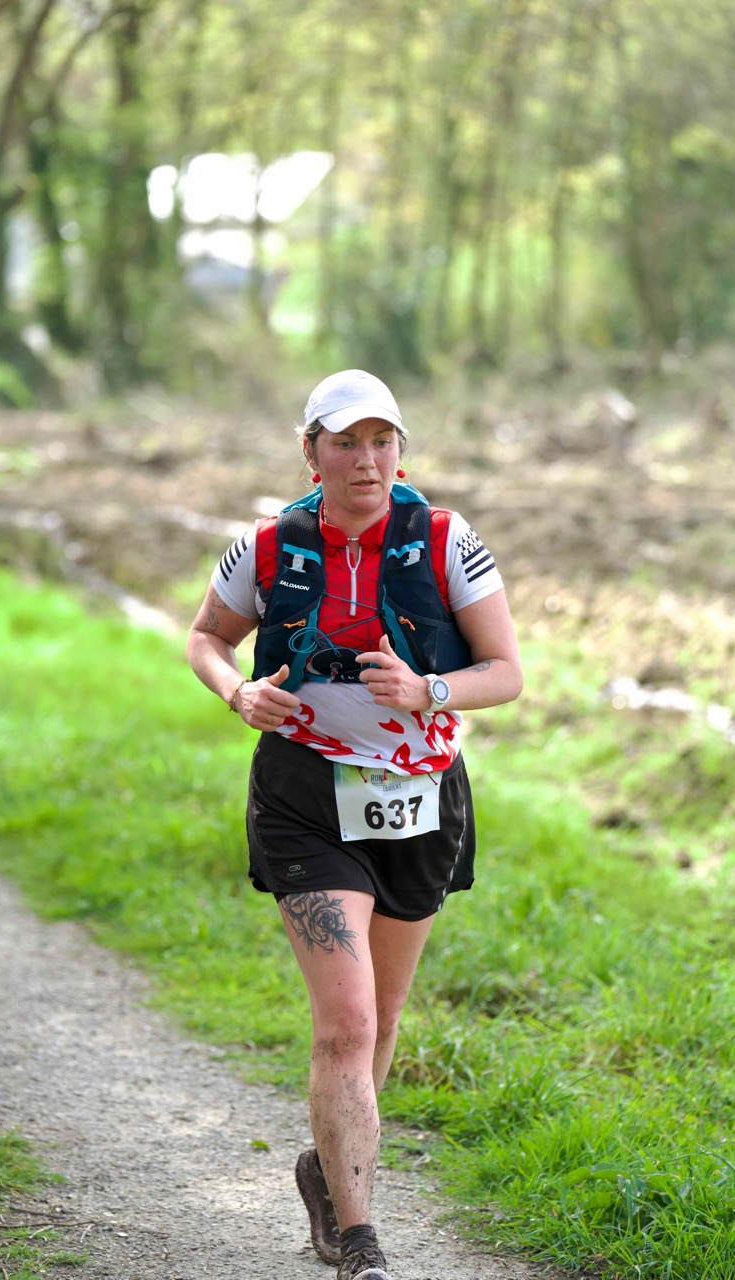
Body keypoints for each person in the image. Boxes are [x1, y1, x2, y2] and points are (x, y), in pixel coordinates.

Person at [186, 369, 523, 1280]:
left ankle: (328, 1175)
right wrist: (237, 692)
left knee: (381, 1021)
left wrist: (427, 689)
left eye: (382, 441)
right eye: (345, 442)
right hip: (303, 796)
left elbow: (505, 672)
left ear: (399, 452)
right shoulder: (266, 545)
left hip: (420, 797)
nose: (365, 460)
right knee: (345, 1020)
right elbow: (205, 637)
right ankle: (361, 1240)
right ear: (311, 452)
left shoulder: (446, 540)